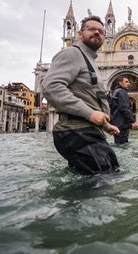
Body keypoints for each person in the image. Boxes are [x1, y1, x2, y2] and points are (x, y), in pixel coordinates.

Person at [42, 16, 120, 175]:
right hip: (78, 132)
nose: (97, 33)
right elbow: (51, 86)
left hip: (86, 132)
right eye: (91, 29)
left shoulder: (89, 61)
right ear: (79, 33)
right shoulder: (72, 53)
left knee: (96, 180)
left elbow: (90, 97)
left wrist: (105, 125)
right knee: (104, 182)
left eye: (101, 31)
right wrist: (90, 114)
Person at [110, 76, 137, 144]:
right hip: (122, 125)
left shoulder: (115, 91)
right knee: (123, 145)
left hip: (116, 124)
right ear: (120, 83)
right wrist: (133, 121)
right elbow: (124, 108)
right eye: (126, 82)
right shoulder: (122, 92)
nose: (129, 84)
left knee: (119, 144)